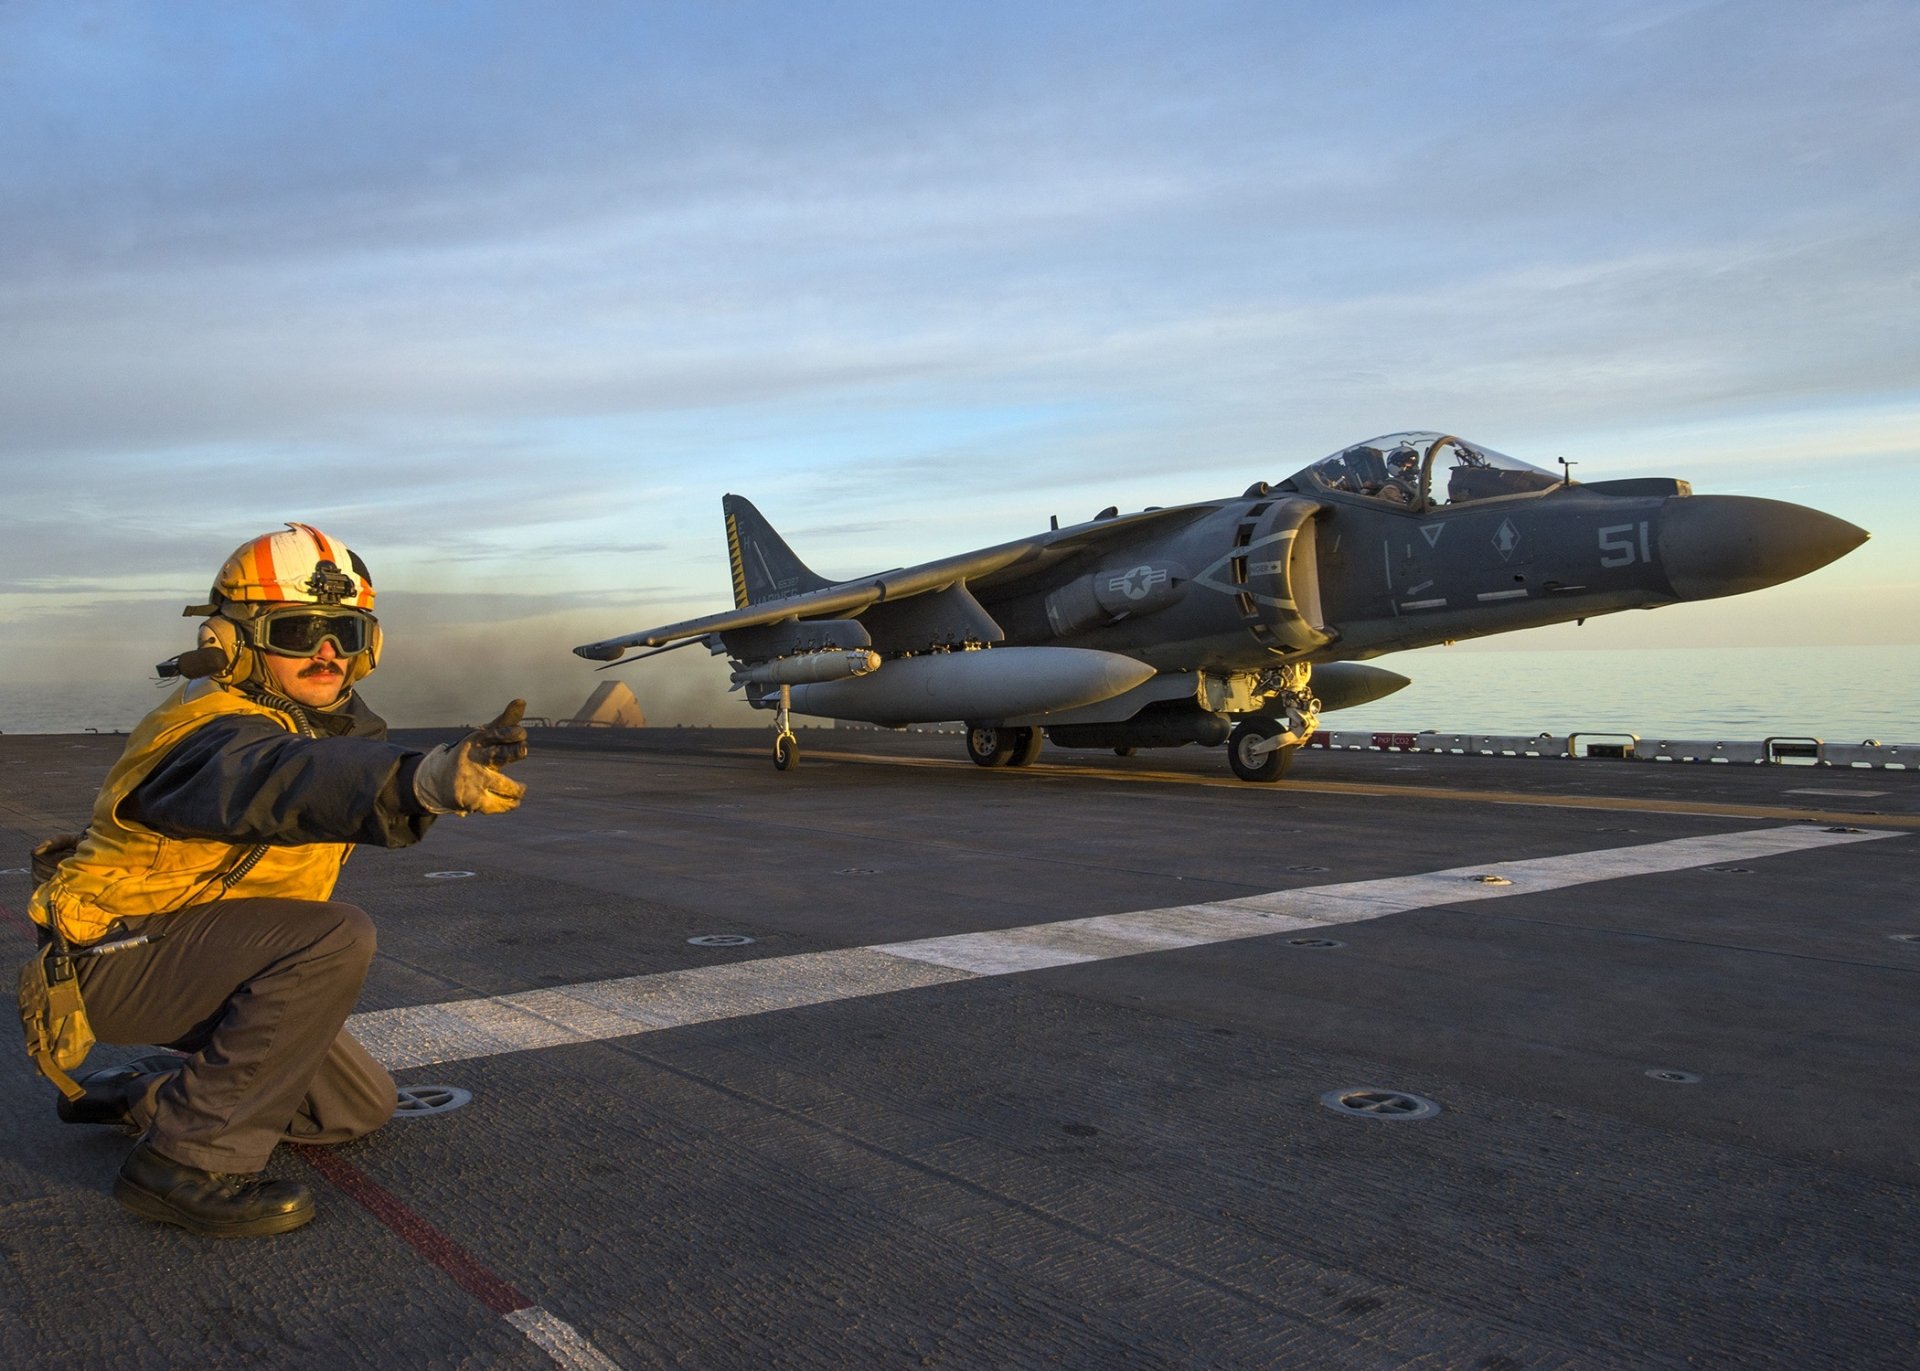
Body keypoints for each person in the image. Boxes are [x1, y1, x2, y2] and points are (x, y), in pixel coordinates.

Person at [23, 522, 529, 1238]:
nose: (327, 654)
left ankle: (151, 1093)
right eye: (299, 631)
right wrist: (418, 778)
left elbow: (309, 764)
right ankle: (183, 1165)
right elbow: (272, 778)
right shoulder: (209, 730)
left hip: (184, 954)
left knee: (356, 1107)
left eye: (344, 634)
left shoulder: (320, 730)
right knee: (333, 936)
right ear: (236, 642)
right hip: (113, 959)